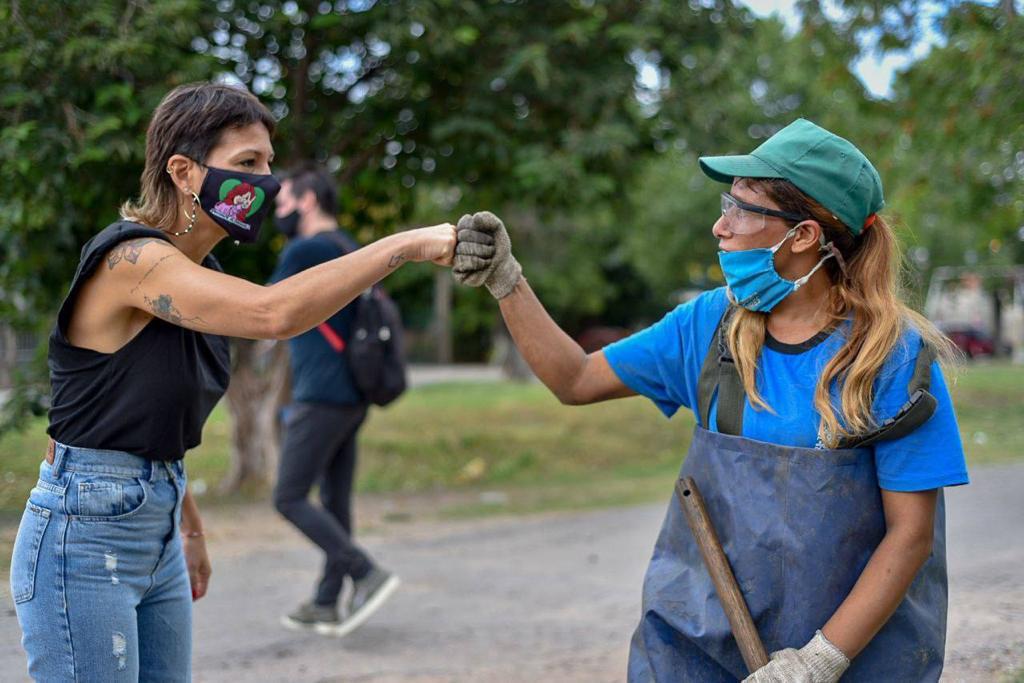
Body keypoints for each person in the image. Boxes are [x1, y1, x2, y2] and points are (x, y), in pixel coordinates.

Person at [452, 118, 969, 682]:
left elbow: (910, 536)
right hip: (697, 649)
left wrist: (820, 660)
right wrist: (507, 281)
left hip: (851, 658)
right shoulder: (708, 326)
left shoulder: (890, 359)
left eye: (744, 209)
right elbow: (574, 380)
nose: (721, 226)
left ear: (803, 237)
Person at [8, 82, 454, 682]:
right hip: (83, 540)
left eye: (269, 163)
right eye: (247, 164)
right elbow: (275, 314)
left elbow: (139, 426)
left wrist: (186, 527)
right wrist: (410, 244)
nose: (267, 182)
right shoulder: (132, 263)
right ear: (184, 172)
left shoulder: (202, 274)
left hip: (158, 523)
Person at [270, 166, 396, 636]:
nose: (276, 210)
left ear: (307, 201)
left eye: (282, 202)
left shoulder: (305, 250)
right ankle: (326, 600)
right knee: (334, 499)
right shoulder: (347, 246)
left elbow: (263, 309)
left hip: (320, 393)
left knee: (288, 496)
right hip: (353, 395)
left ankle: (364, 571)